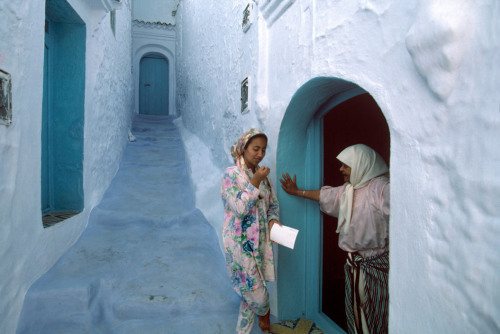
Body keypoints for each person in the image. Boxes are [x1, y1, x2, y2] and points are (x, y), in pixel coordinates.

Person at [280, 144, 390, 334]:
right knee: (359, 312)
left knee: (381, 308)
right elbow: (325, 195)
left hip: (378, 264)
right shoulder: (348, 190)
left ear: (360, 164)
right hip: (357, 265)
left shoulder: (381, 189)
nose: (341, 170)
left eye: (345, 166)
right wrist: (297, 192)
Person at [221, 129, 281, 334]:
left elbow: (272, 205)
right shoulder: (231, 175)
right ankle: (264, 312)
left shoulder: (264, 177)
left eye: (263, 150)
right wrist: (254, 181)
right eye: (256, 149)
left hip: (261, 242)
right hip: (240, 244)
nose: (260, 154)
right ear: (243, 148)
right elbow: (239, 208)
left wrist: (273, 221)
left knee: (249, 293)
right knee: (256, 294)